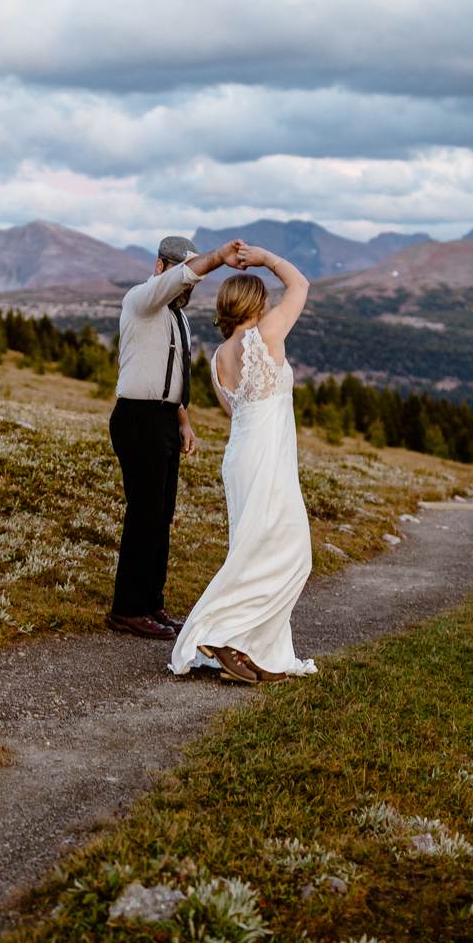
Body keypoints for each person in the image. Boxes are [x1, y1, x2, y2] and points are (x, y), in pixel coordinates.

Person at [169, 243, 315, 683]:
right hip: (266, 456)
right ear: (257, 304)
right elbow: (301, 284)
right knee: (293, 556)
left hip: (241, 457)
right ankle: (218, 631)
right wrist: (268, 259)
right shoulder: (266, 334)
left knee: (253, 552)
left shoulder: (217, 360)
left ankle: (252, 650)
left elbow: (239, 411)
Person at [106, 234, 247, 639]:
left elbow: (172, 375)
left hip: (166, 419)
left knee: (161, 516)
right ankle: (127, 610)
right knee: (144, 513)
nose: (186, 288)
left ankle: (152, 603)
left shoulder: (179, 319)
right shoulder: (141, 300)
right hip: (137, 418)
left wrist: (183, 420)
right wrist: (218, 258)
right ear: (160, 268)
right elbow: (182, 277)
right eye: (182, 278)